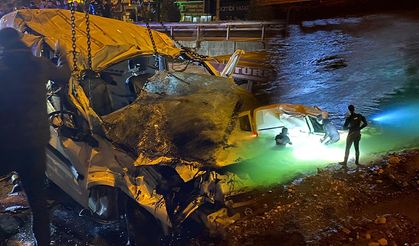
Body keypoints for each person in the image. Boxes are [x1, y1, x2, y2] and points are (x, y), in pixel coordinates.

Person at [0, 28, 70, 246]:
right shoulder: (38, 65)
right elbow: (64, 74)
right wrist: (62, 54)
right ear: (20, 42)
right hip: (33, 146)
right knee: (38, 204)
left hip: (5, 144)